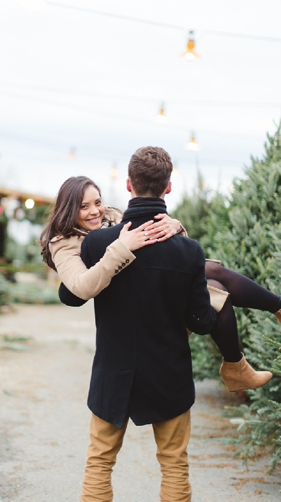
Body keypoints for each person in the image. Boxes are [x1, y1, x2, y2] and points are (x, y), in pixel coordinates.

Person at [56, 146, 261, 501]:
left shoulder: (97, 243)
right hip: (169, 372)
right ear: (168, 187)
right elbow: (199, 322)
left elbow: (76, 291)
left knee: (99, 463)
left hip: (113, 372)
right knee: (174, 464)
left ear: (128, 184)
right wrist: (213, 311)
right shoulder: (188, 250)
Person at [41, 174, 277, 392]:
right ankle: (237, 366)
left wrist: (175, 226)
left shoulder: (113, 219)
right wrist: (121, 248)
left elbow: (160, 245)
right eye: (84, 206)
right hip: (139, 305)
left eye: (97, 202)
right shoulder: (64, 243)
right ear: (69, 209)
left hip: (150, 282)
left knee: (216, 281)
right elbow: (81, 288)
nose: (95, 211)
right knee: (216, 289)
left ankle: (254, 341)